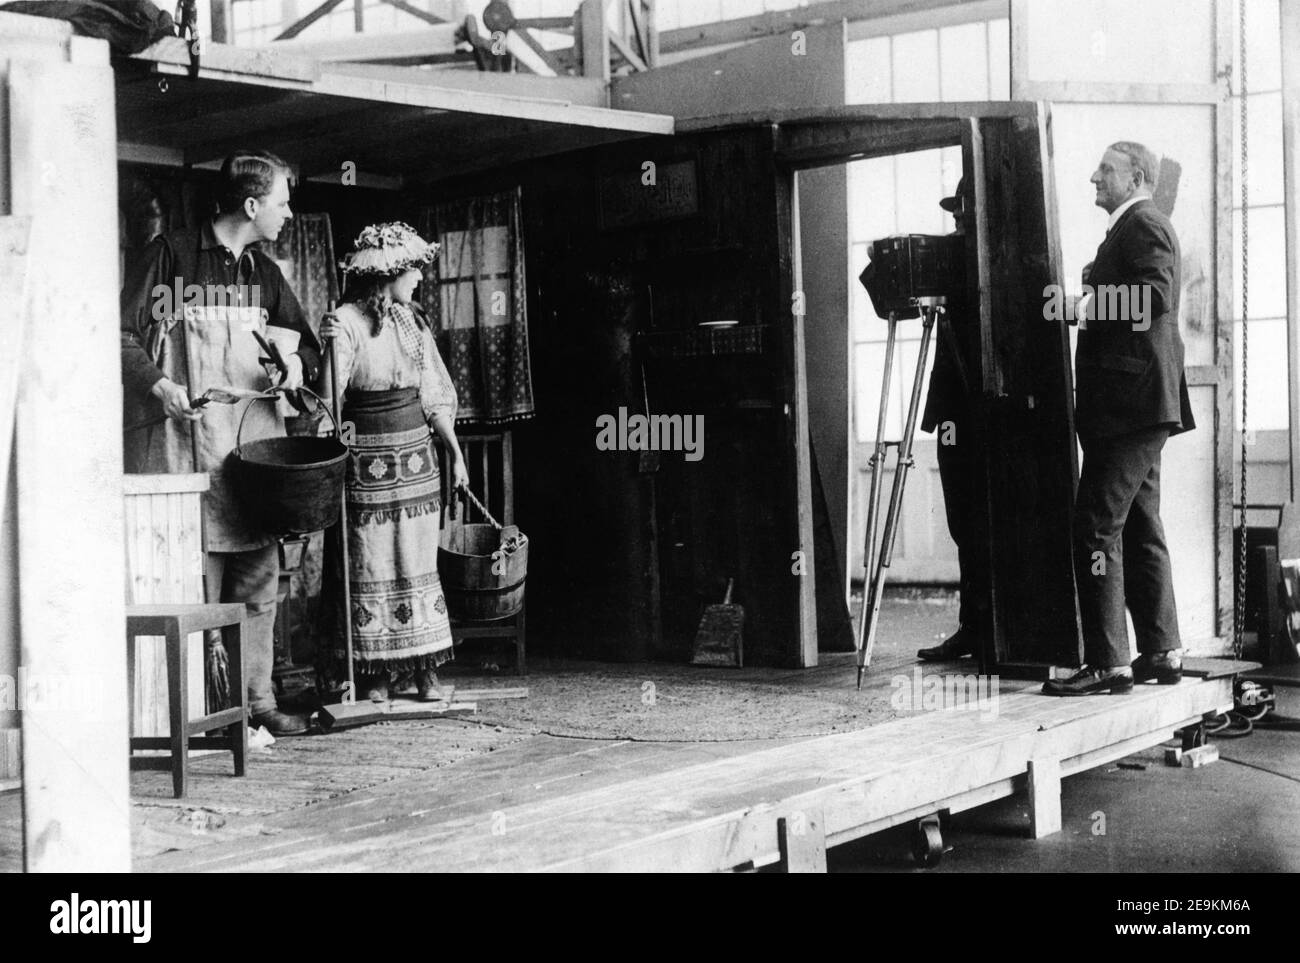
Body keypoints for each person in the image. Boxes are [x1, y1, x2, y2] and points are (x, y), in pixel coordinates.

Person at [120, 149, 321, 735]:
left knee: (258, 586)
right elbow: (121, 333)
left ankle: (257, 706)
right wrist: (159, 385)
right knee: (198, 592)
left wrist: (292, 365)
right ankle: (205, 716)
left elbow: (307, 348)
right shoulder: (172, 257)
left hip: (256, 457)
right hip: (191, 454)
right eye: (283, 203)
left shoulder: (265, 274)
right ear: (252, 204)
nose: (288, 214)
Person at [1043, 141, 1195, 696]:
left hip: (1131, 408)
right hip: (1139, 404)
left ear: (1135, 177)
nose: (1093, 178)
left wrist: (1084, 304)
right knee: (1140, 525)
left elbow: (1153, 296)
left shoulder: (1146, 224)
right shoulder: (1129, 230)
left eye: (1105, 170)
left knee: (1096, 527)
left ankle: (1109, 662)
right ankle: (1163, 650)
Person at [320, 222, 469, 702]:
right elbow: (330, 403)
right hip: (367, 467)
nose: (421, 278)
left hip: (418, 464)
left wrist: (457, 455)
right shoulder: (344, 323)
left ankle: (425, 672)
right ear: (388, 273)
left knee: (419, 564)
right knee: (372, 565)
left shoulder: (414, 323)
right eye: (414, 270)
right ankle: (376, 675)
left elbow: (435, 398)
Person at [861, 177, 990, 661]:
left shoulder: (998, 258)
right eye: (955, 213)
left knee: (985, 523)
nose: (957, 221)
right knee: (962, 523)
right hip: (955, 410)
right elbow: (887, 300)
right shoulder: (952, 259)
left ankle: (996, 628)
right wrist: (890, 261)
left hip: (992, 408)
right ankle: (974, 627)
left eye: (964, 212)